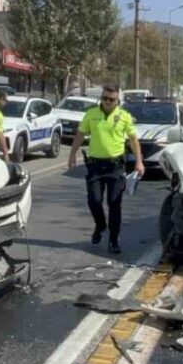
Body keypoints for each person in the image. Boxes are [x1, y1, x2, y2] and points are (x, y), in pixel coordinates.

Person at [67, 85, 145, 254]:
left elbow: (133, 140)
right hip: (95, 166)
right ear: (101, 98)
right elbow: (80, 134)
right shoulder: (91, 114)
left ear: (118, 101)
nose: (108, 102)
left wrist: (139, 162)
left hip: (115, 166)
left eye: (112, 99)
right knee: (94, 201)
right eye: (105, 98)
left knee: (114, 204)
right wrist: (72, 155)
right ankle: (101, 225)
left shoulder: (124, 116)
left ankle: (114, 240)